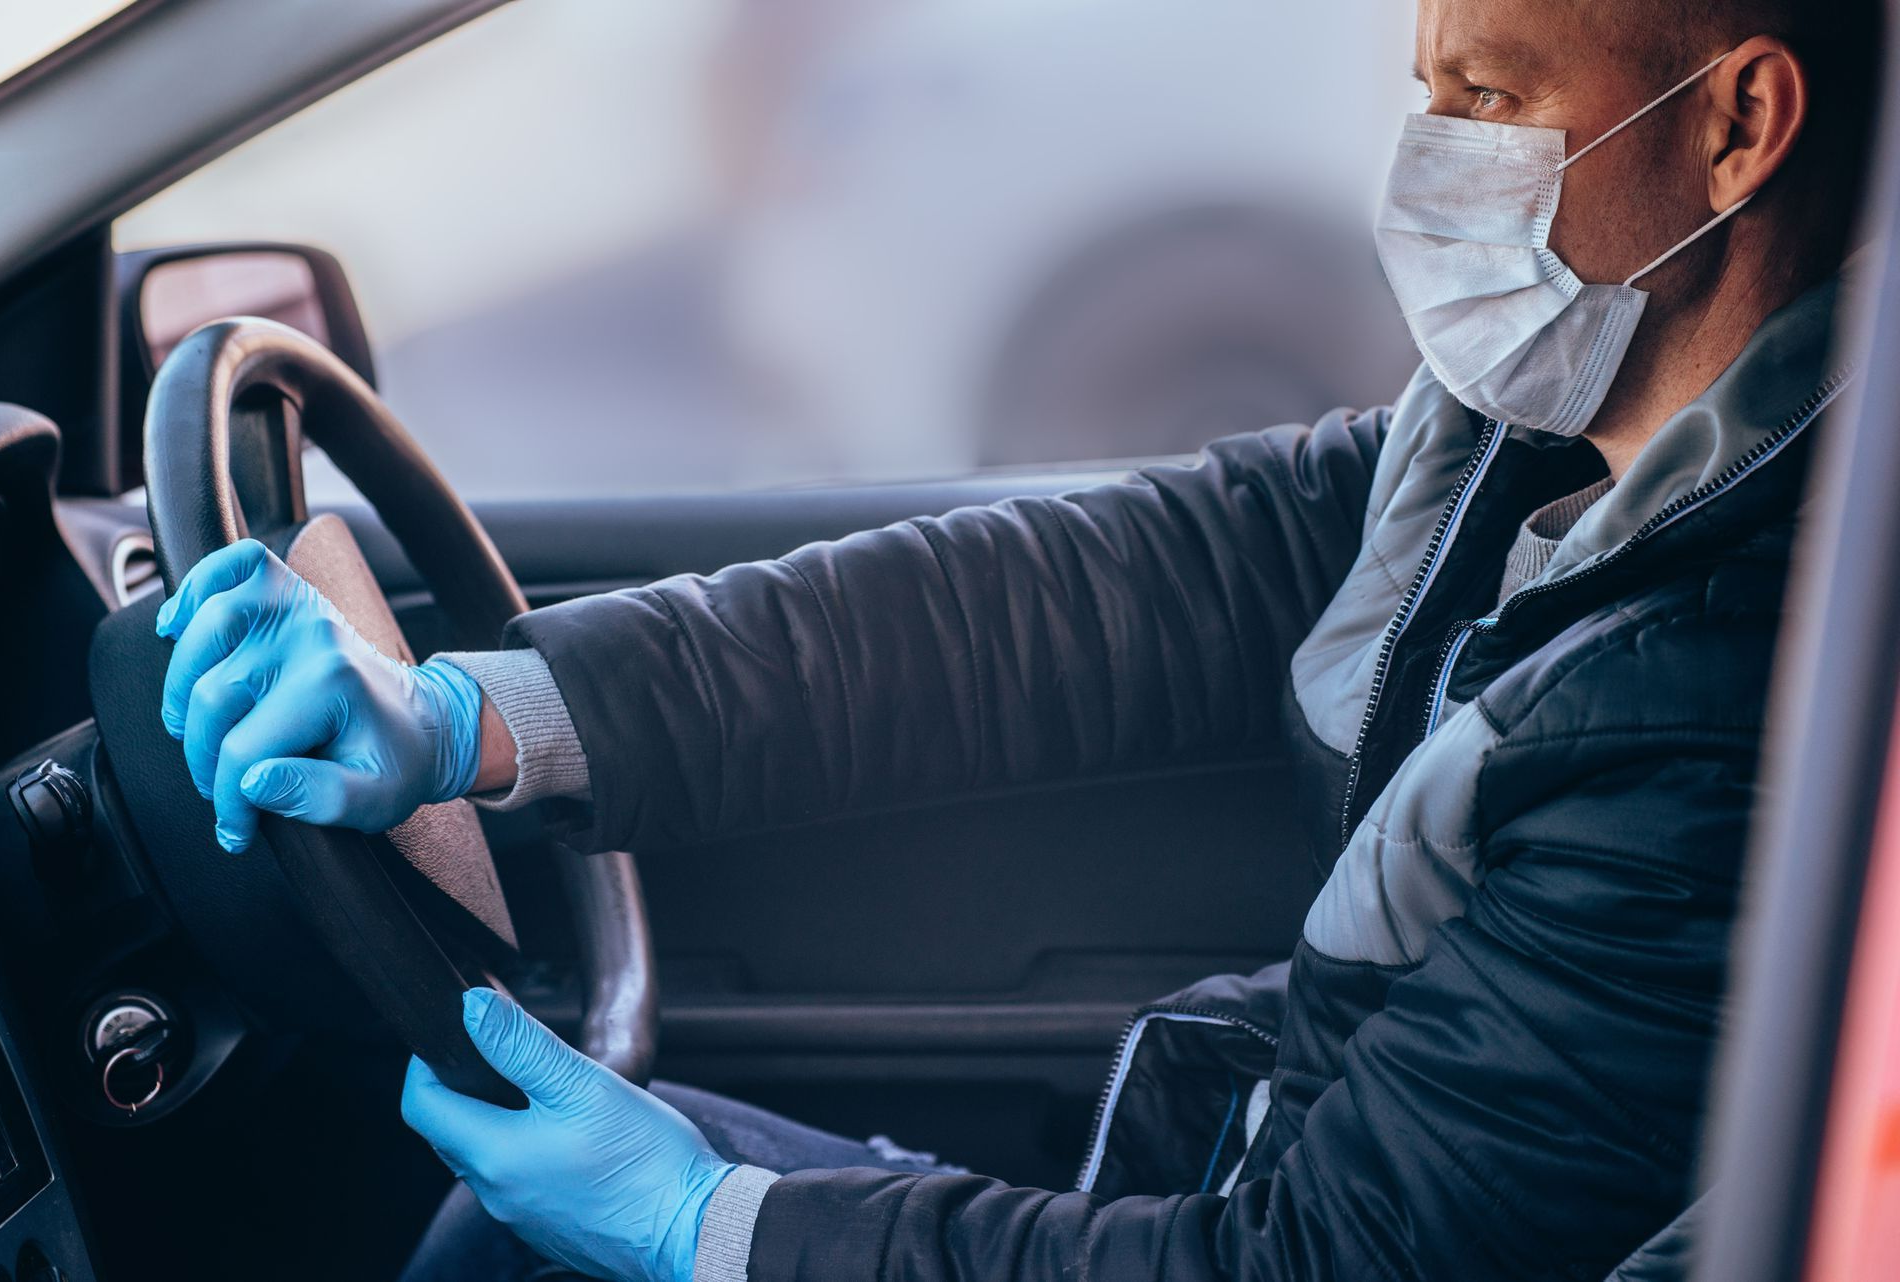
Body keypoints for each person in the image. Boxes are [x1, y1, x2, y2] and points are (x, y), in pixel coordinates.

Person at [150, 0, 1883, 1278]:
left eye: (1488, 98)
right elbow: (1064, 600)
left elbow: (1325, 1269)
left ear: (1738, 125)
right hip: (1233, 1165)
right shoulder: (1527, 439)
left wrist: (714, 1229)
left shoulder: (1730, 706)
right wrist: (482, 715)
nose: (1426, 157)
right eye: (1421, 89)